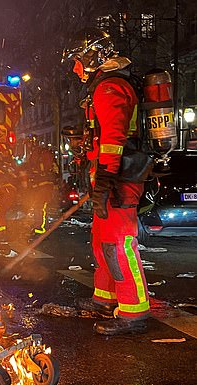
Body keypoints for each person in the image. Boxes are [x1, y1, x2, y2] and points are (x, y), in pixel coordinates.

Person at [64, 28, 149, 335]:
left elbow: (113, 139)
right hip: (109, 176)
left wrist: (105, 180)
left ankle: (134, 310)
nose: (76, 68)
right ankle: (105, 297)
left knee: (120, 243)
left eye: (78, 60)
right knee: (103, 240)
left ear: (93, 56)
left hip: (119, 178)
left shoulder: (110, 86)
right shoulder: (104, 85)